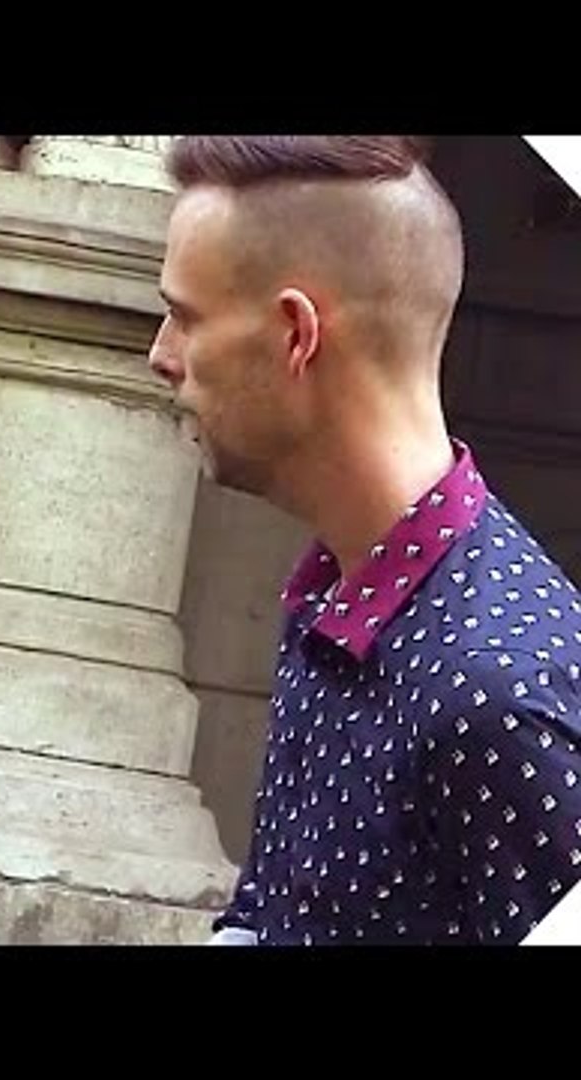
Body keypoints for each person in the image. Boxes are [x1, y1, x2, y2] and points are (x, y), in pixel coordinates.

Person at [148, 136, 581, 945]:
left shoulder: (497, 701)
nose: (160, 356)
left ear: (295, 334)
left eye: (186, 317)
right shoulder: (336, 594)